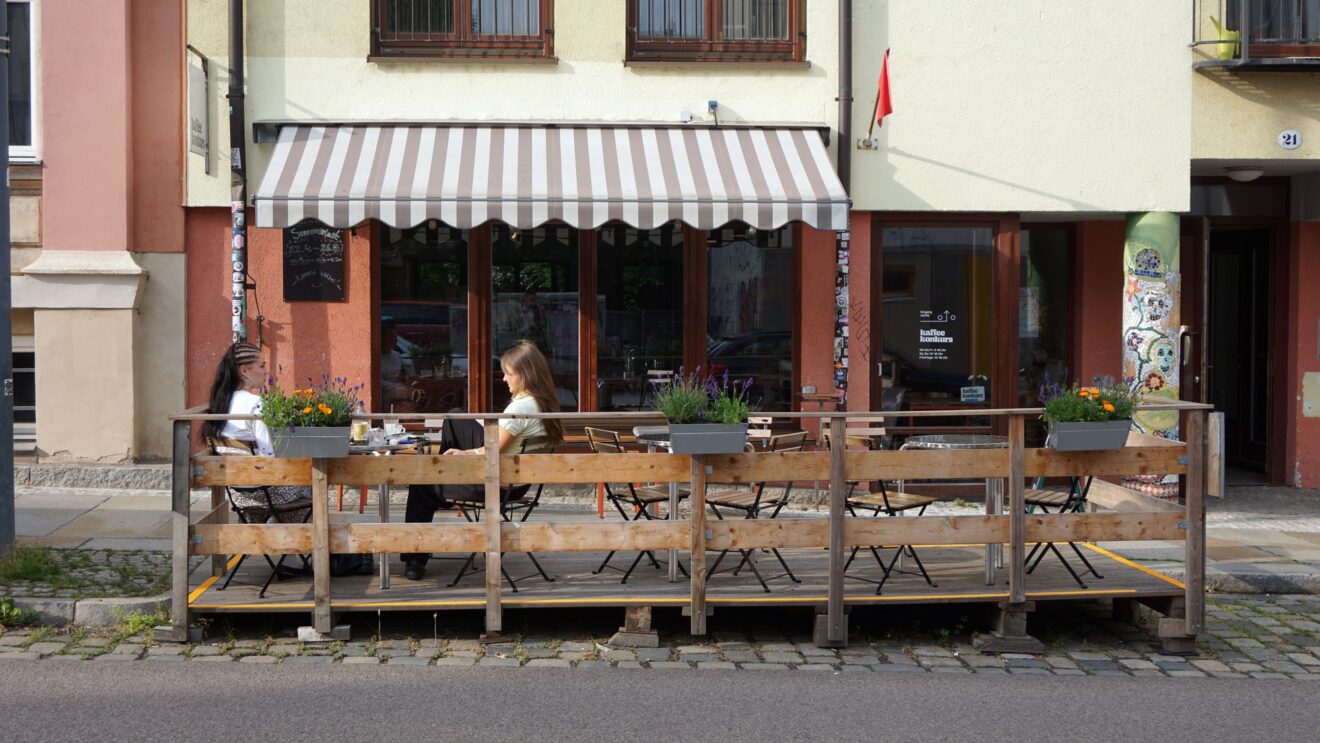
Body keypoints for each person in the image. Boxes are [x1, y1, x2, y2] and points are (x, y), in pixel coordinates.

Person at [402, 341, 565, 580]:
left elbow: (493, 449)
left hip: (497, 484)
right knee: (456, 417)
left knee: (422, 485)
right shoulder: (544, 403)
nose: (503, 379)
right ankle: (445, 476)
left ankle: (414, 560)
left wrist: (465, 454)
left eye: (508, 374)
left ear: (524, 374)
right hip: (516, 483)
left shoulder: (521, 407)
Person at [202, 342, 311, 525]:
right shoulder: (256, 403)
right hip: (266, 493)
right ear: (244, 371)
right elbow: (269, 454)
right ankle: (295, 538)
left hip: (238, 493)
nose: (266, 371)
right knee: (316, 481)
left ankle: (273, 531)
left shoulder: (221, 403)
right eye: (262, 366)